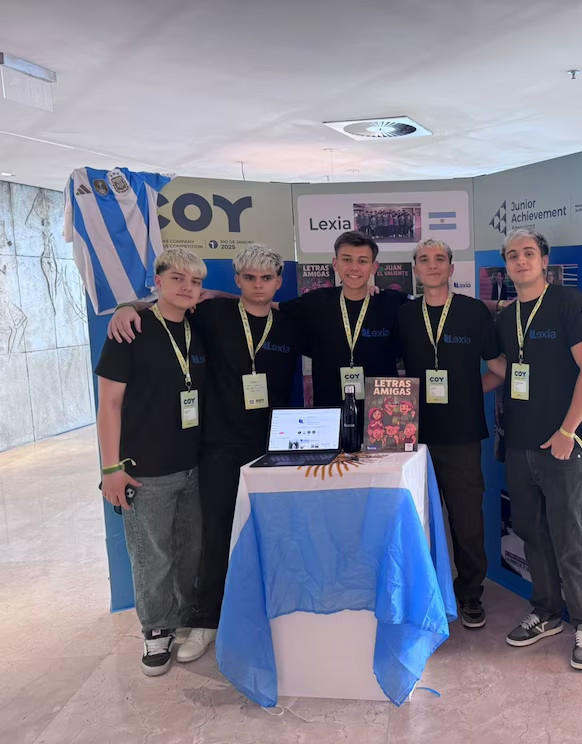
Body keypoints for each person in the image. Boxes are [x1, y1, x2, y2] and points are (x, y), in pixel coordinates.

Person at [106, 244, 304, 662]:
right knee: (213, 538)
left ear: (278, 282)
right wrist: (126, 307)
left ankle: (273, 610)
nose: (257, 286)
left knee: (272, 532)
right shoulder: (211, 315)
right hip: (218, 446)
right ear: (237, 280)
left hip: (274, 447)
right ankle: (205, 620)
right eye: (249, 278)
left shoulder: (290, 324)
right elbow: (166, 306)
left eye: (266, 278)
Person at [492, 228, 582, 671]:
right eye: (512, 255)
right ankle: (546, 612)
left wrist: (567, 431)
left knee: (569, 535)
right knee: (531, 532)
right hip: (519, 444)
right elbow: (505, 371)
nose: (520, 261)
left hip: (562, 444)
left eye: (528, 253)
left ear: (544, 260)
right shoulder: (506, 319)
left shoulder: (569, 303)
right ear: (506, 265)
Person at [95, 247, 208, 676]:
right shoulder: (130, 331)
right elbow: (109, 405)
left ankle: (182, 617)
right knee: (151, 556)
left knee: (188, 551)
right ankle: (156, 629)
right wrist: (111, 468)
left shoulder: (197, 327)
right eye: (177, 279)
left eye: (195, 282)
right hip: (144, 469)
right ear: (157, 282)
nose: (187, 288)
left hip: (193, 464)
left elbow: (221, 295)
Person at [397, 238, 503, 628]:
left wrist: (470, 392)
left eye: (439, 259)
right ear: (416, 269)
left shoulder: (473, 311)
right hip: (412, 437)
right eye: (424, 259)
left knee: (466, 519)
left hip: (461, 435)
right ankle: (423, 590)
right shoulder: (404, 315)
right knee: (416, 518)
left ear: (451, 268)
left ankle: (470, 592)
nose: (432, 265)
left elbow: (499, 369)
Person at [277, 231, 407, 411]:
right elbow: (266, 306)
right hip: (330, 412)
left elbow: (430, 305)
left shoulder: (392, 302)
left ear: (374, 267)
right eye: (347, 259)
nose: (354, 267)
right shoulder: (315, 302)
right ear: (335, 263)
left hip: (382, 413)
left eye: (362, 261)